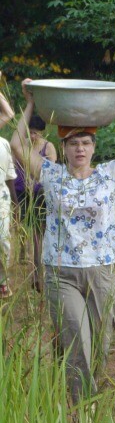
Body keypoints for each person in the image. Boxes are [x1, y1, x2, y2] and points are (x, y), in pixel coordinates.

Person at [11, 78, 115, 404]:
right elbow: (17, 145)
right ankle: (81, 410)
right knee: (77, 339)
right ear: (64, 148)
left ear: (94, 147)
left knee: (100, 343)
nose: (80, 149)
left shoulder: (109, 174)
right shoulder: (51, 173)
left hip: (101, 271)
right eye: (73, 143)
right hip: (61, 273)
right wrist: (29, 101)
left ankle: (82, 398)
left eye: (85, 143)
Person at [13, 114, 57, 292]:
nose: (32, 136)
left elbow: (51, 170)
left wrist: (35, 181)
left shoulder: (49, 147)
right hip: (21, 191)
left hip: (40, 194)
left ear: (42, 133)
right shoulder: (21, 146)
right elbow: (14, 165)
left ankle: (38, 273)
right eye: (30, 132)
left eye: (36, 133)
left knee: (39, 232)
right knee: (21, 224)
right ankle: (23, 251)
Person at [0, 84, 17, 298]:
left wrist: (16, 202)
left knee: (3, 240)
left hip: (1, 199)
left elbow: (10, 113)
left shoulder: (3, 143)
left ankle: (2, 281)